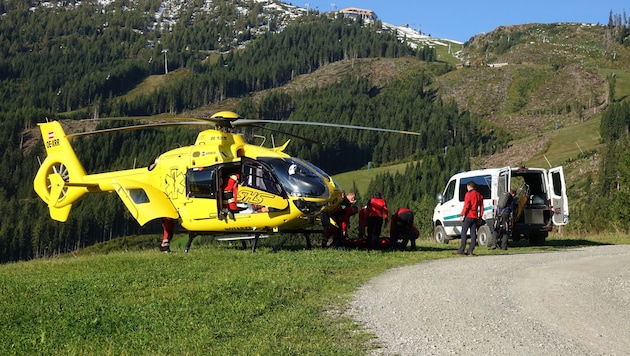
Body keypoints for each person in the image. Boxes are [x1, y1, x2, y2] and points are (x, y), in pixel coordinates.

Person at [457, 181, 484, 256]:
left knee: (464, 233)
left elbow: (466, 205)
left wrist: (462, 214)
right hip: (475, 217)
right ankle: (470, 250)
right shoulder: (479, 195)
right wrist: (480, 216)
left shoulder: (468, 194)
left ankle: (462, 249)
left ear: (469, 186)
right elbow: (482, 207)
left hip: (468, 215)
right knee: (473, 234)